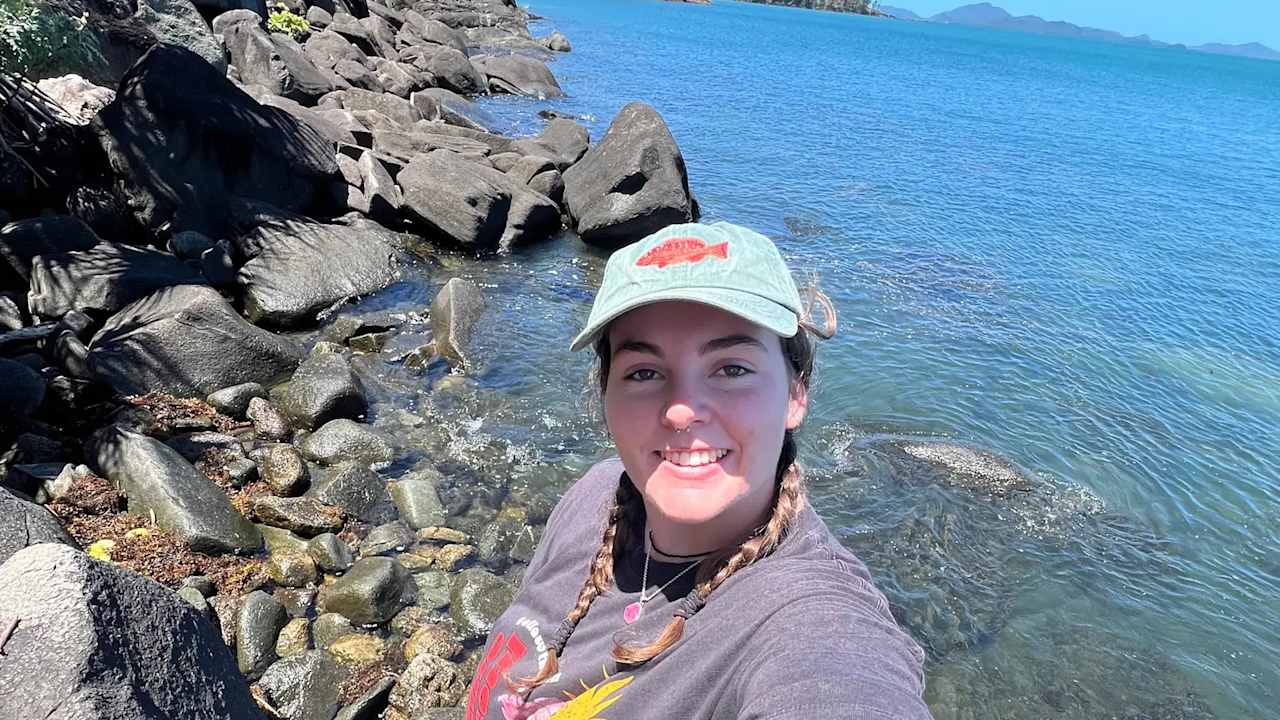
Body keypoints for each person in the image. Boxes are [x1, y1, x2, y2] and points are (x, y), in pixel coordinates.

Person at [464, 222, 933, 720]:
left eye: (732, 368)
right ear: (606, 395)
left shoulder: (814, 621)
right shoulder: (594, 494)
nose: (681, 411)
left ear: (795, 395)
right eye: (644, 372)